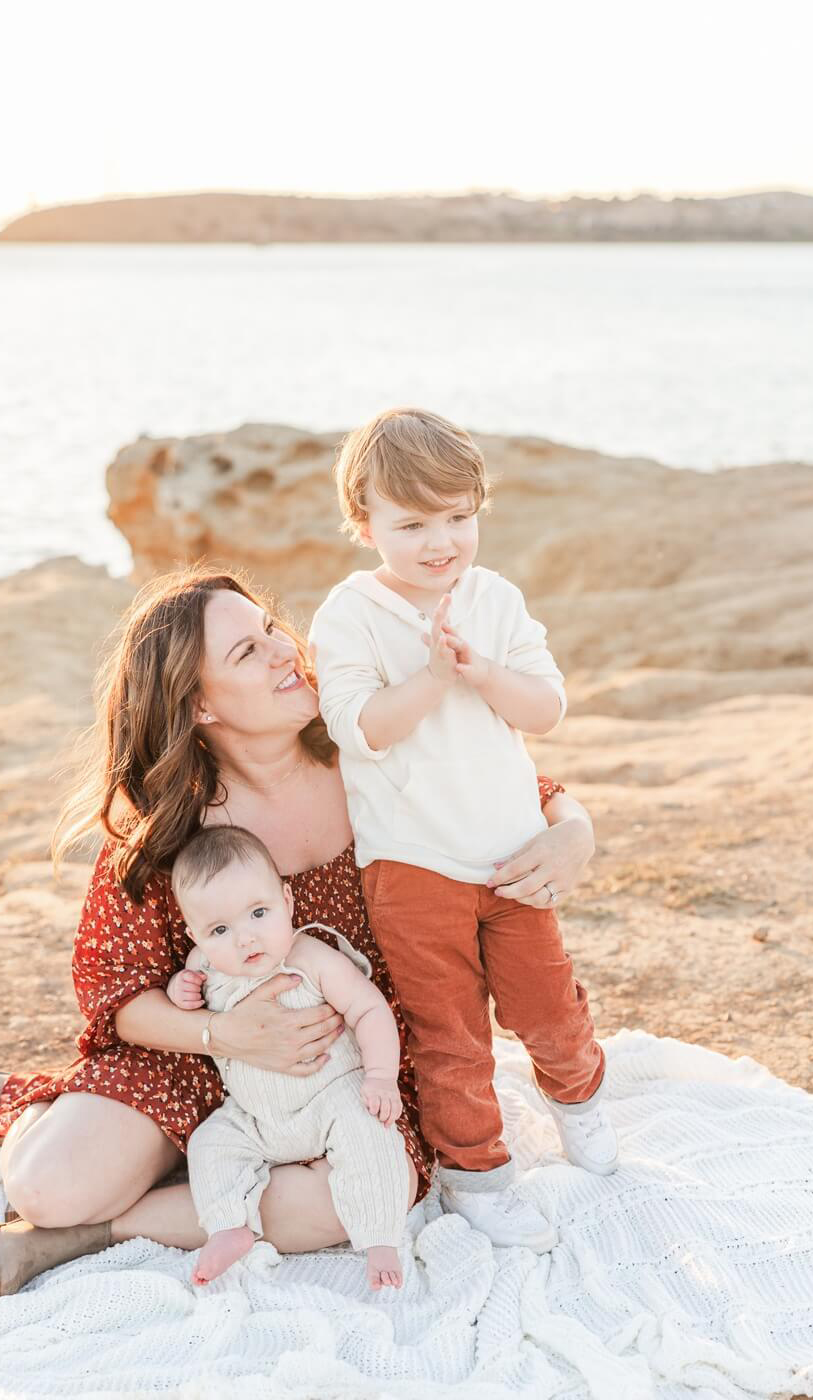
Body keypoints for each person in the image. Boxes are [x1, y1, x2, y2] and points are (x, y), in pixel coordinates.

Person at [0, 566, 598, 1295]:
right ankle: (21, 1108)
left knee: (355, 1201)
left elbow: (517, 786)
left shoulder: (372, 746)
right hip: (201, 1059)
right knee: (51, 1187)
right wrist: (227, 1036)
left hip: (351, 1065)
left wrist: (574, 830)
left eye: (271, 630)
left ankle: (105, 1229)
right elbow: (117, 999)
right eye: (247, 653)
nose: (284, 651)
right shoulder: (172, 829)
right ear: (200, 705)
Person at [310, 407, 618, 1254]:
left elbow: (546, 708)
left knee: (547, 1007)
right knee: (449, 1034)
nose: (440, 541)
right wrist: (433, 676)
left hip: (512, 852)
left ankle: (580, 1102)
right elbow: (358, 726)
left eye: (458, 517)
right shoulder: (350, 613)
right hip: (411, 867)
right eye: (411, 524)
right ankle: (476, 1176)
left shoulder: (493, 597)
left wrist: (480, 672)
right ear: (364, 523)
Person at [167, 825, 409, 1290]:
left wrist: (380, 1077)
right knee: (210, 1143)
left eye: (259, 913)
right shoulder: (205, 964)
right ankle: (229, 1225)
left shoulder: (312, 957)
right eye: (219, 929)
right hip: (256, 1116)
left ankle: (380, 1240)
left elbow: (369, 1008)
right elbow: (189, 990)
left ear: (287, 901)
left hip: (332, 1098)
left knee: (371, 1135)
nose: (245, 939)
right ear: (194, 933)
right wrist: (182, 989)